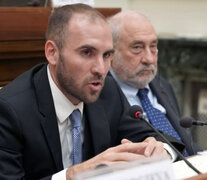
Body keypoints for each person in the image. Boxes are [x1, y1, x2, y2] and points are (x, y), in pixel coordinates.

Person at [0, 4, 184, 180]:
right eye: (87, 53)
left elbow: (156, 138)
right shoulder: (9, 110)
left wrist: (159, 150)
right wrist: (73, 175)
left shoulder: (107, 90)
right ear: (52, 53)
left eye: (106, 55)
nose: (101, 69)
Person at [108, 10, 200, 156]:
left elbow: (184, 142)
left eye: (153, 46)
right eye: (137, 48)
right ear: (111, 52)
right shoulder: (102, 95)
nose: (149, 59)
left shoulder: (161, 84)